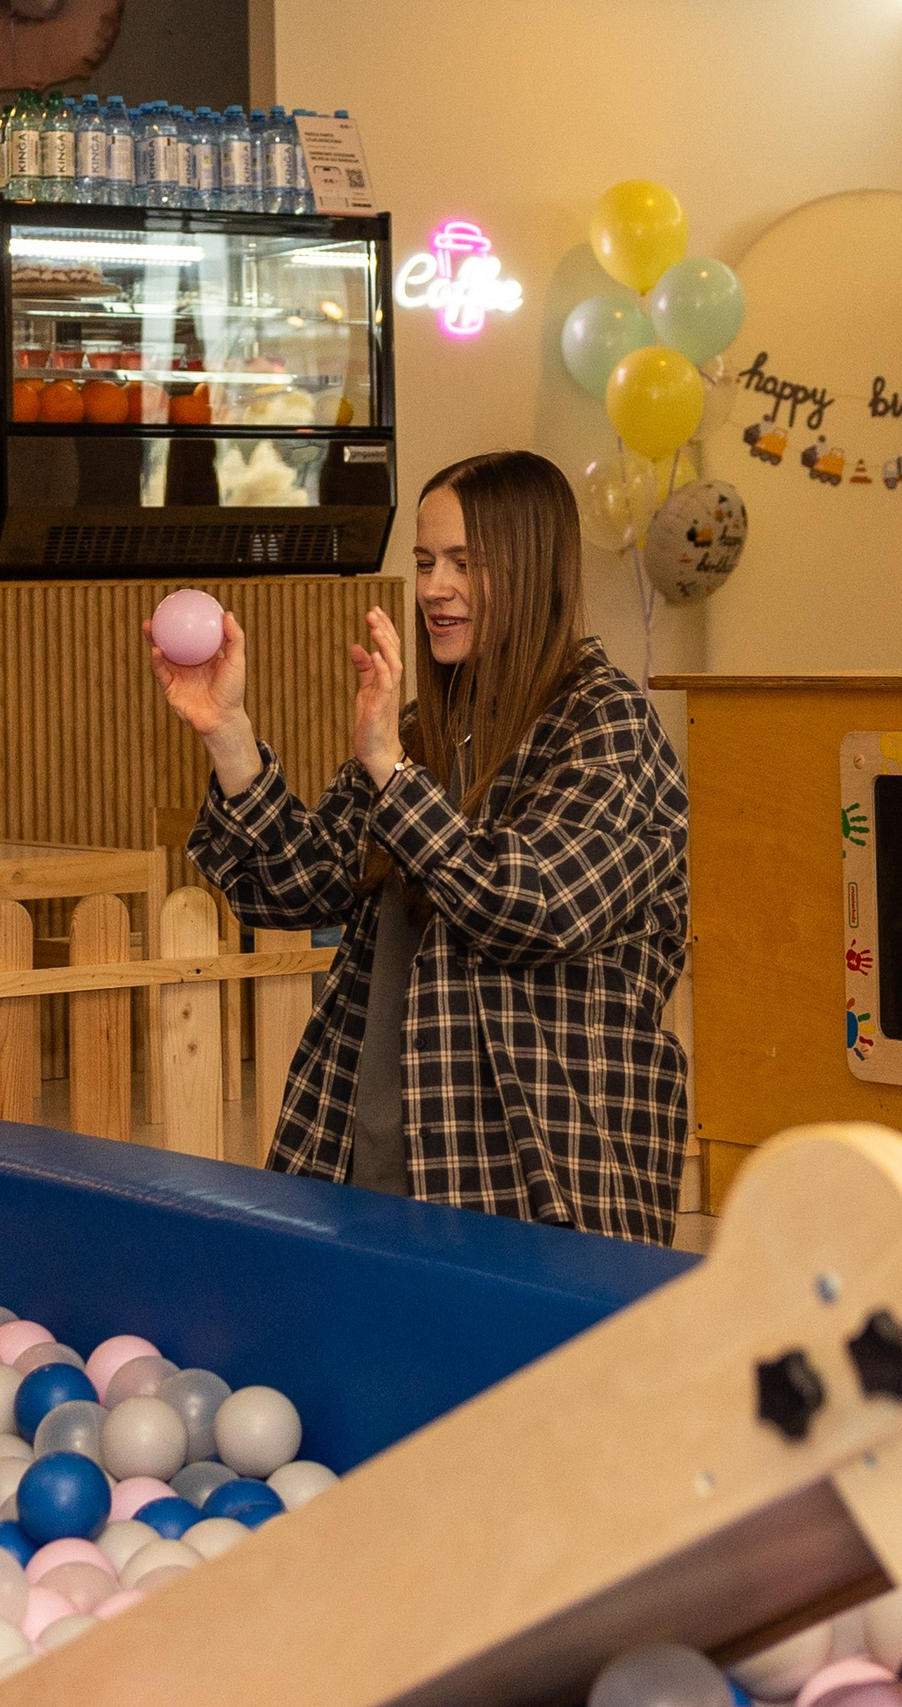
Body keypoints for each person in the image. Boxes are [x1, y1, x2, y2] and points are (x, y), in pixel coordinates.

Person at [149, 449, 690, 1242]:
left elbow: (530, 906)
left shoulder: (605, 725)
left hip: (541, 1179)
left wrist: (392, 772)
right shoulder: (418, 732)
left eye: (466, 563)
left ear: (534, 569)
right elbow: (293, 886)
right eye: (426, 560)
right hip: (379, 1160)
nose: (435, 588)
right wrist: (228, 732)